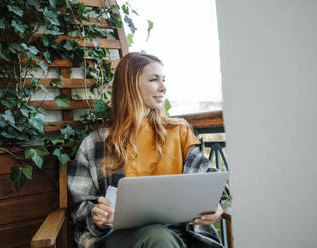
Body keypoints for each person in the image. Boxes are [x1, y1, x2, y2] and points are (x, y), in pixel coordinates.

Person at [68, 52, 230, 248]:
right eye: (154, 80)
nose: (163, 88)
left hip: (182, 234)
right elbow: (80, 207)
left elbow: (211, 183)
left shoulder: (179, 132)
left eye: (164, 80)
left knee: (162, 237)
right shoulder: (95, 143)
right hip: (120, 238)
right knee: (158, 236)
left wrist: (217, 207)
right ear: (131, 86)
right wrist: (97, 216)